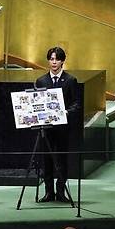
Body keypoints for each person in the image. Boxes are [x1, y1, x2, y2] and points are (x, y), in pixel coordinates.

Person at [35, 47, 80, 203]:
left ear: (62, 61)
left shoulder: (70, 80)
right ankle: (48, 192)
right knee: (46, 160)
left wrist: (66, 112)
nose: (54, 62)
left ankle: (61, 191)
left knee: (61, 159)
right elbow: (37, 103)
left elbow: (76, 103)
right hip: (46, 128)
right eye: (51, 59)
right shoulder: (41, 80)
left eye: (57, 59)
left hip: (62, 127)